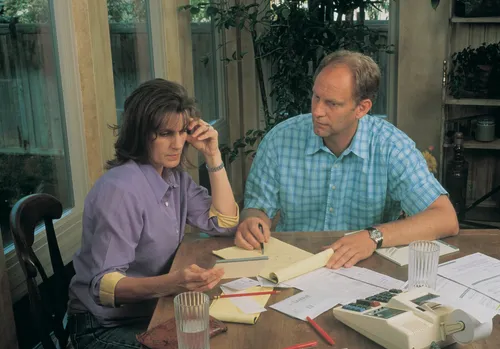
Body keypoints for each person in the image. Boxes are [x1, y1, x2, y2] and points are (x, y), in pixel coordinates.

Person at [235, 50, 459, 269]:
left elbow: (445, 218)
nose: (317, 111)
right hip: (293, 265)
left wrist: (373, 237)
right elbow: (256, 208)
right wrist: (253, 222)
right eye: (316, 97)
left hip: (366, 267)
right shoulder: (280, 138)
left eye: (332, 103)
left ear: (362, 108)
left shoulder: (391, 146)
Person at [67, 78, 238, 348]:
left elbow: (224, 222)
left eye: (183, 132)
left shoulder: (174, 178)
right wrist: (173, 283)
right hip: (101, 327)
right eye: (165, 134)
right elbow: (105, 287)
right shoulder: (121, 190)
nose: (178, 144)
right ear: (141, 133)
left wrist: (213, 156)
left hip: (151, 311)